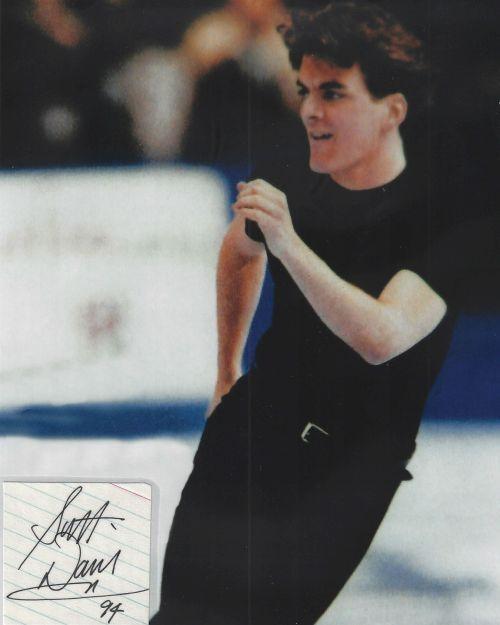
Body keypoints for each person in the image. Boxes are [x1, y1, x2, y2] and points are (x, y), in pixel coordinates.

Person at [151, 2, 473, 624]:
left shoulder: (443, 213)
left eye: (333, 93)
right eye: (304, 90)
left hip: (348, 467)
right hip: (255, 423)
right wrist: (226, 370)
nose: (310, 110)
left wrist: (290, 243)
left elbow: (381, 337)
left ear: (392, 109)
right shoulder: (289, 171)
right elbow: (240, 248)